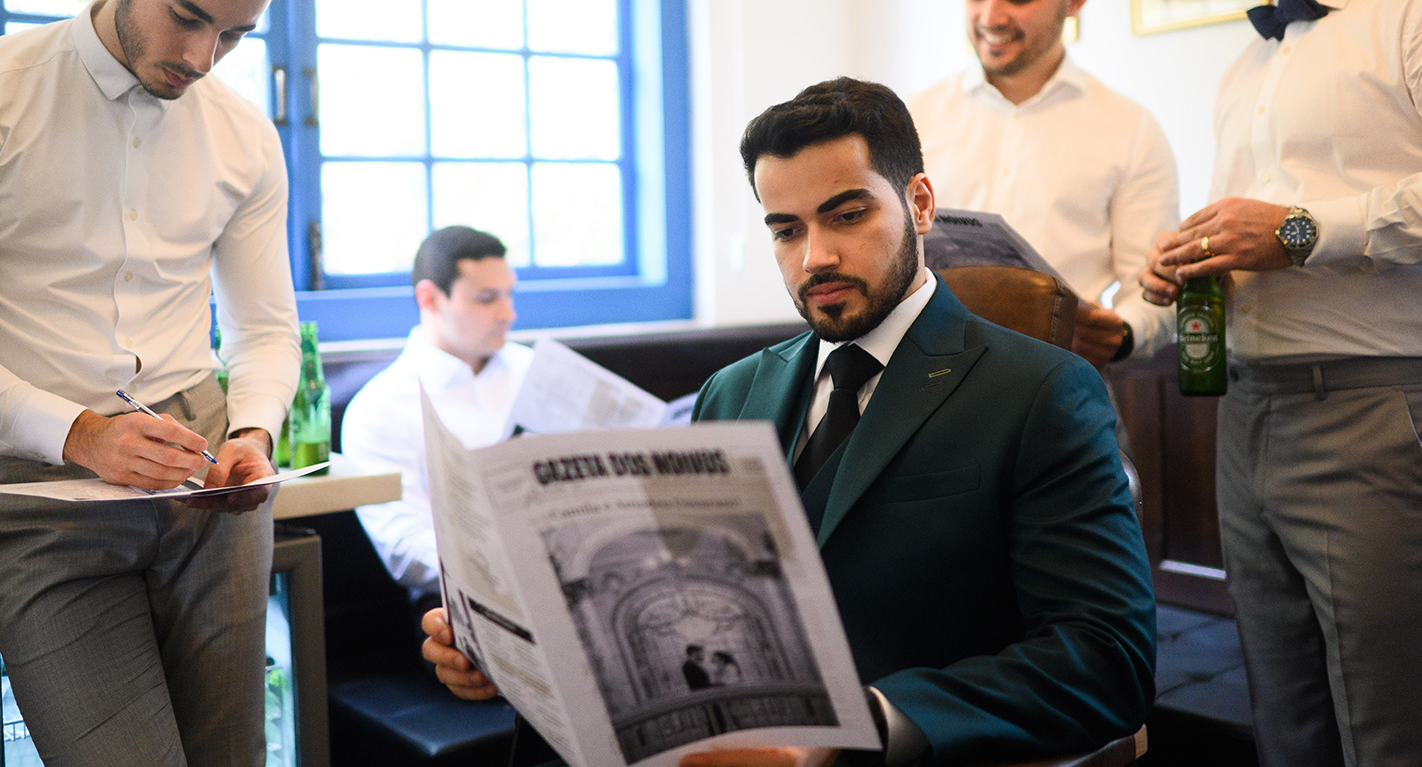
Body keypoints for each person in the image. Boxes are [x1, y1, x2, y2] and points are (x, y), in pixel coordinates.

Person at [424, 78, 1156, 767]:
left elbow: (1104, 658)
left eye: (847, 214)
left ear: (920, 203)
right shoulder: (730, 392)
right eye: (785, 229)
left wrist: (861, 726)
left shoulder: (1042, 391)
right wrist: (517, 654)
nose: (816, 256)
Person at [0, 0, 300, 766]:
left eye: (237, 35)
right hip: (36, 490)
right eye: (189, 17)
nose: (203, 59)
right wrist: (82, 434)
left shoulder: (244, 135)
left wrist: (254, 427)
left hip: (208, 476)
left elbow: (265, 330)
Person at [1140, 0, 1422, 767]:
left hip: (1373, 412)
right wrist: (1165, 292)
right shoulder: (1245, 66)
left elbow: (1291, 232)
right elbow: (1250, 248)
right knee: (1285, 722)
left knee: (1388, 724)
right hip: (1242, 413)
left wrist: (1297, 232)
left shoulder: (1414, 8)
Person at [908, 0, 1180, 368]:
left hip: (1063, 393)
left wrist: (1125, 332)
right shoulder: (913, 120)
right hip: (926, 388)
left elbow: (1156, 294)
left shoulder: (1130, 129)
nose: (991, 16)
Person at [341, 225, 533, 620]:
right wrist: (502, 569)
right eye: (486, 299)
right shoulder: (381, 407)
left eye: (509, 294)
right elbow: (403, 545)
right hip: (457, 599)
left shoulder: (536, 372)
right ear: (429, 298)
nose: (508, 314)